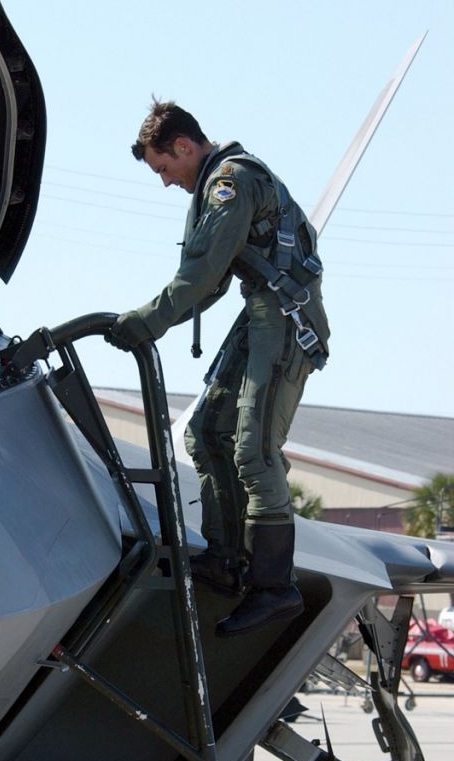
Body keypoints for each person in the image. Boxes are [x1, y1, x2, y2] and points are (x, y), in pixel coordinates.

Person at [105, 100, 330, 637]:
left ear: (184, 147)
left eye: (164, 168)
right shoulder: (218, 184)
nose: (165, 181)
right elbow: (214, 278)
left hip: (284, 322)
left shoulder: (229, 182)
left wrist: (146, 321)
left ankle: (275, 586)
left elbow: (204, 274)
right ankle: (225, 559)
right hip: (260, 316)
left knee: (253, 450)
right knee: (206, 433)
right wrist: (158, 317)